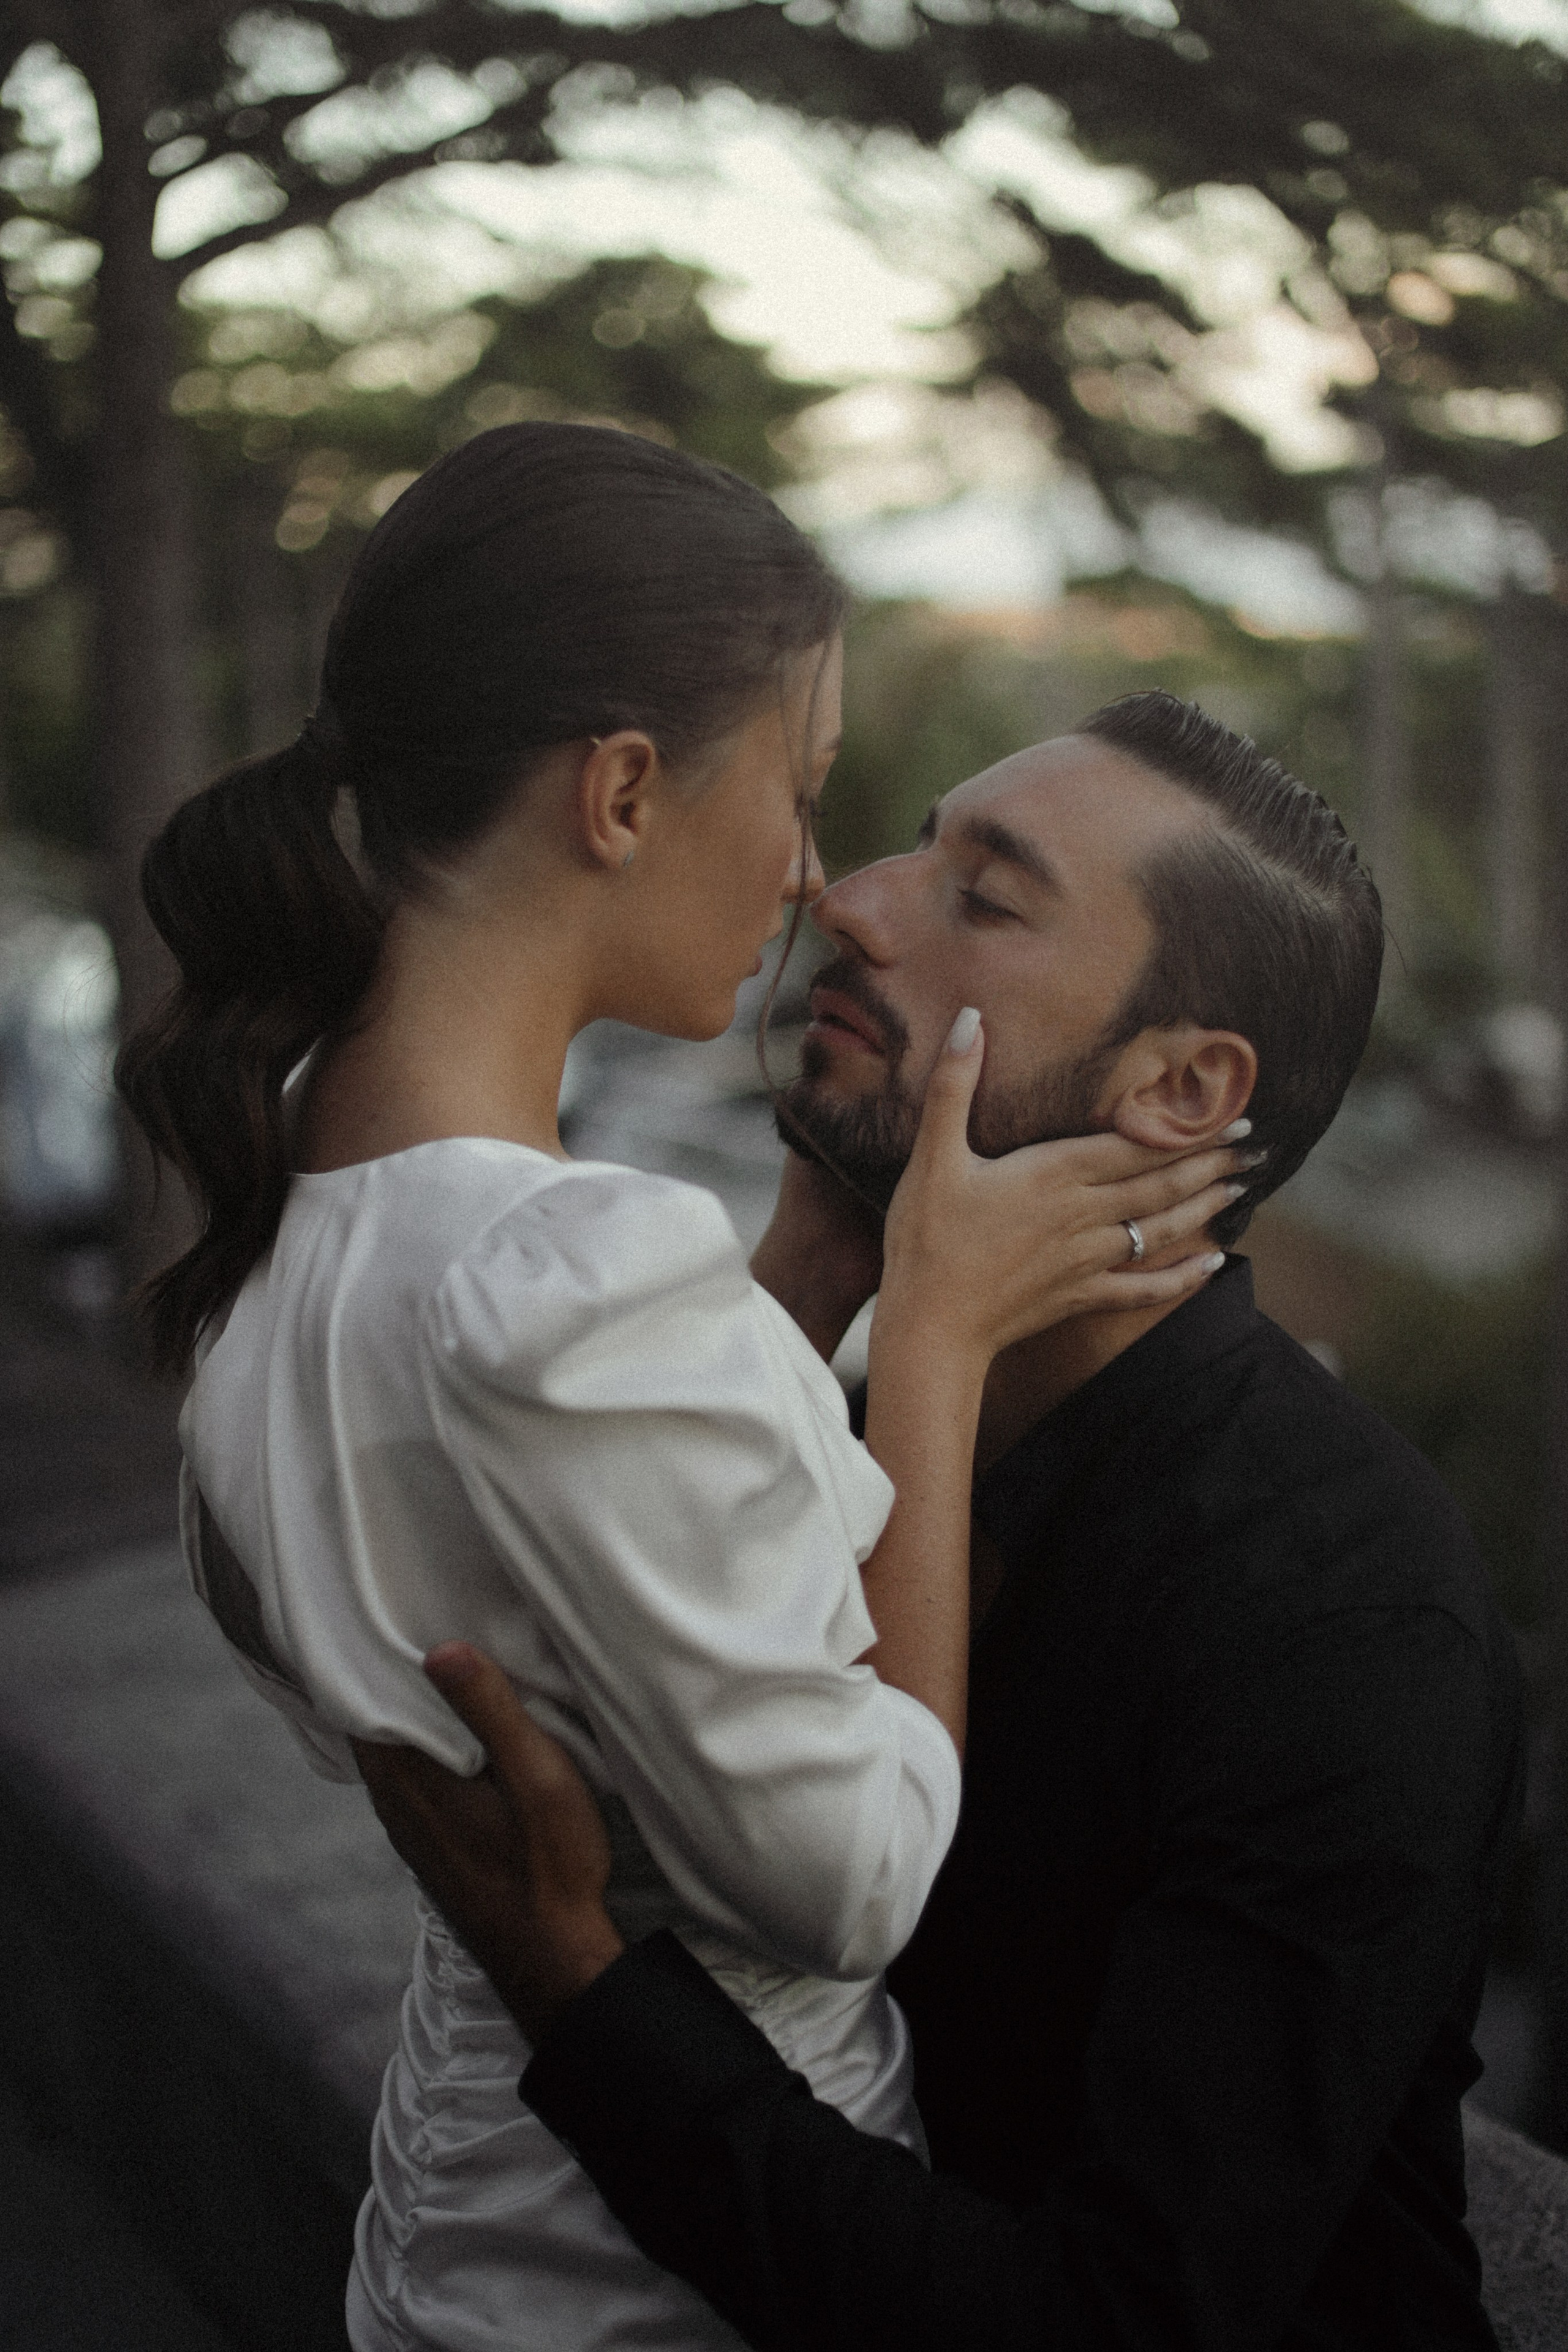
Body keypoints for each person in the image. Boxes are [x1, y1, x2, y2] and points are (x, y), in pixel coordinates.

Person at [115, 429, 1235, 2352]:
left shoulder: (290, 1215)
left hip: (464, 2237)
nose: (814, 874)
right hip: (657, 2278)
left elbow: (593, 1573)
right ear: (623, 792)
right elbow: (862, 1875)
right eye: (798, 793)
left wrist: (804, 1269)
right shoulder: (576, 1281)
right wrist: (939, 1343)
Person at [356, 692, 1526, 2352]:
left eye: (984, 895)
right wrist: (830, 1270)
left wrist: (576, 1993)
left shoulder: (1337, 1620)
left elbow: (1107, 2325)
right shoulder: (848, 1422)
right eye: (918, 843)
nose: (855, 899)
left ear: (1181, 1088)